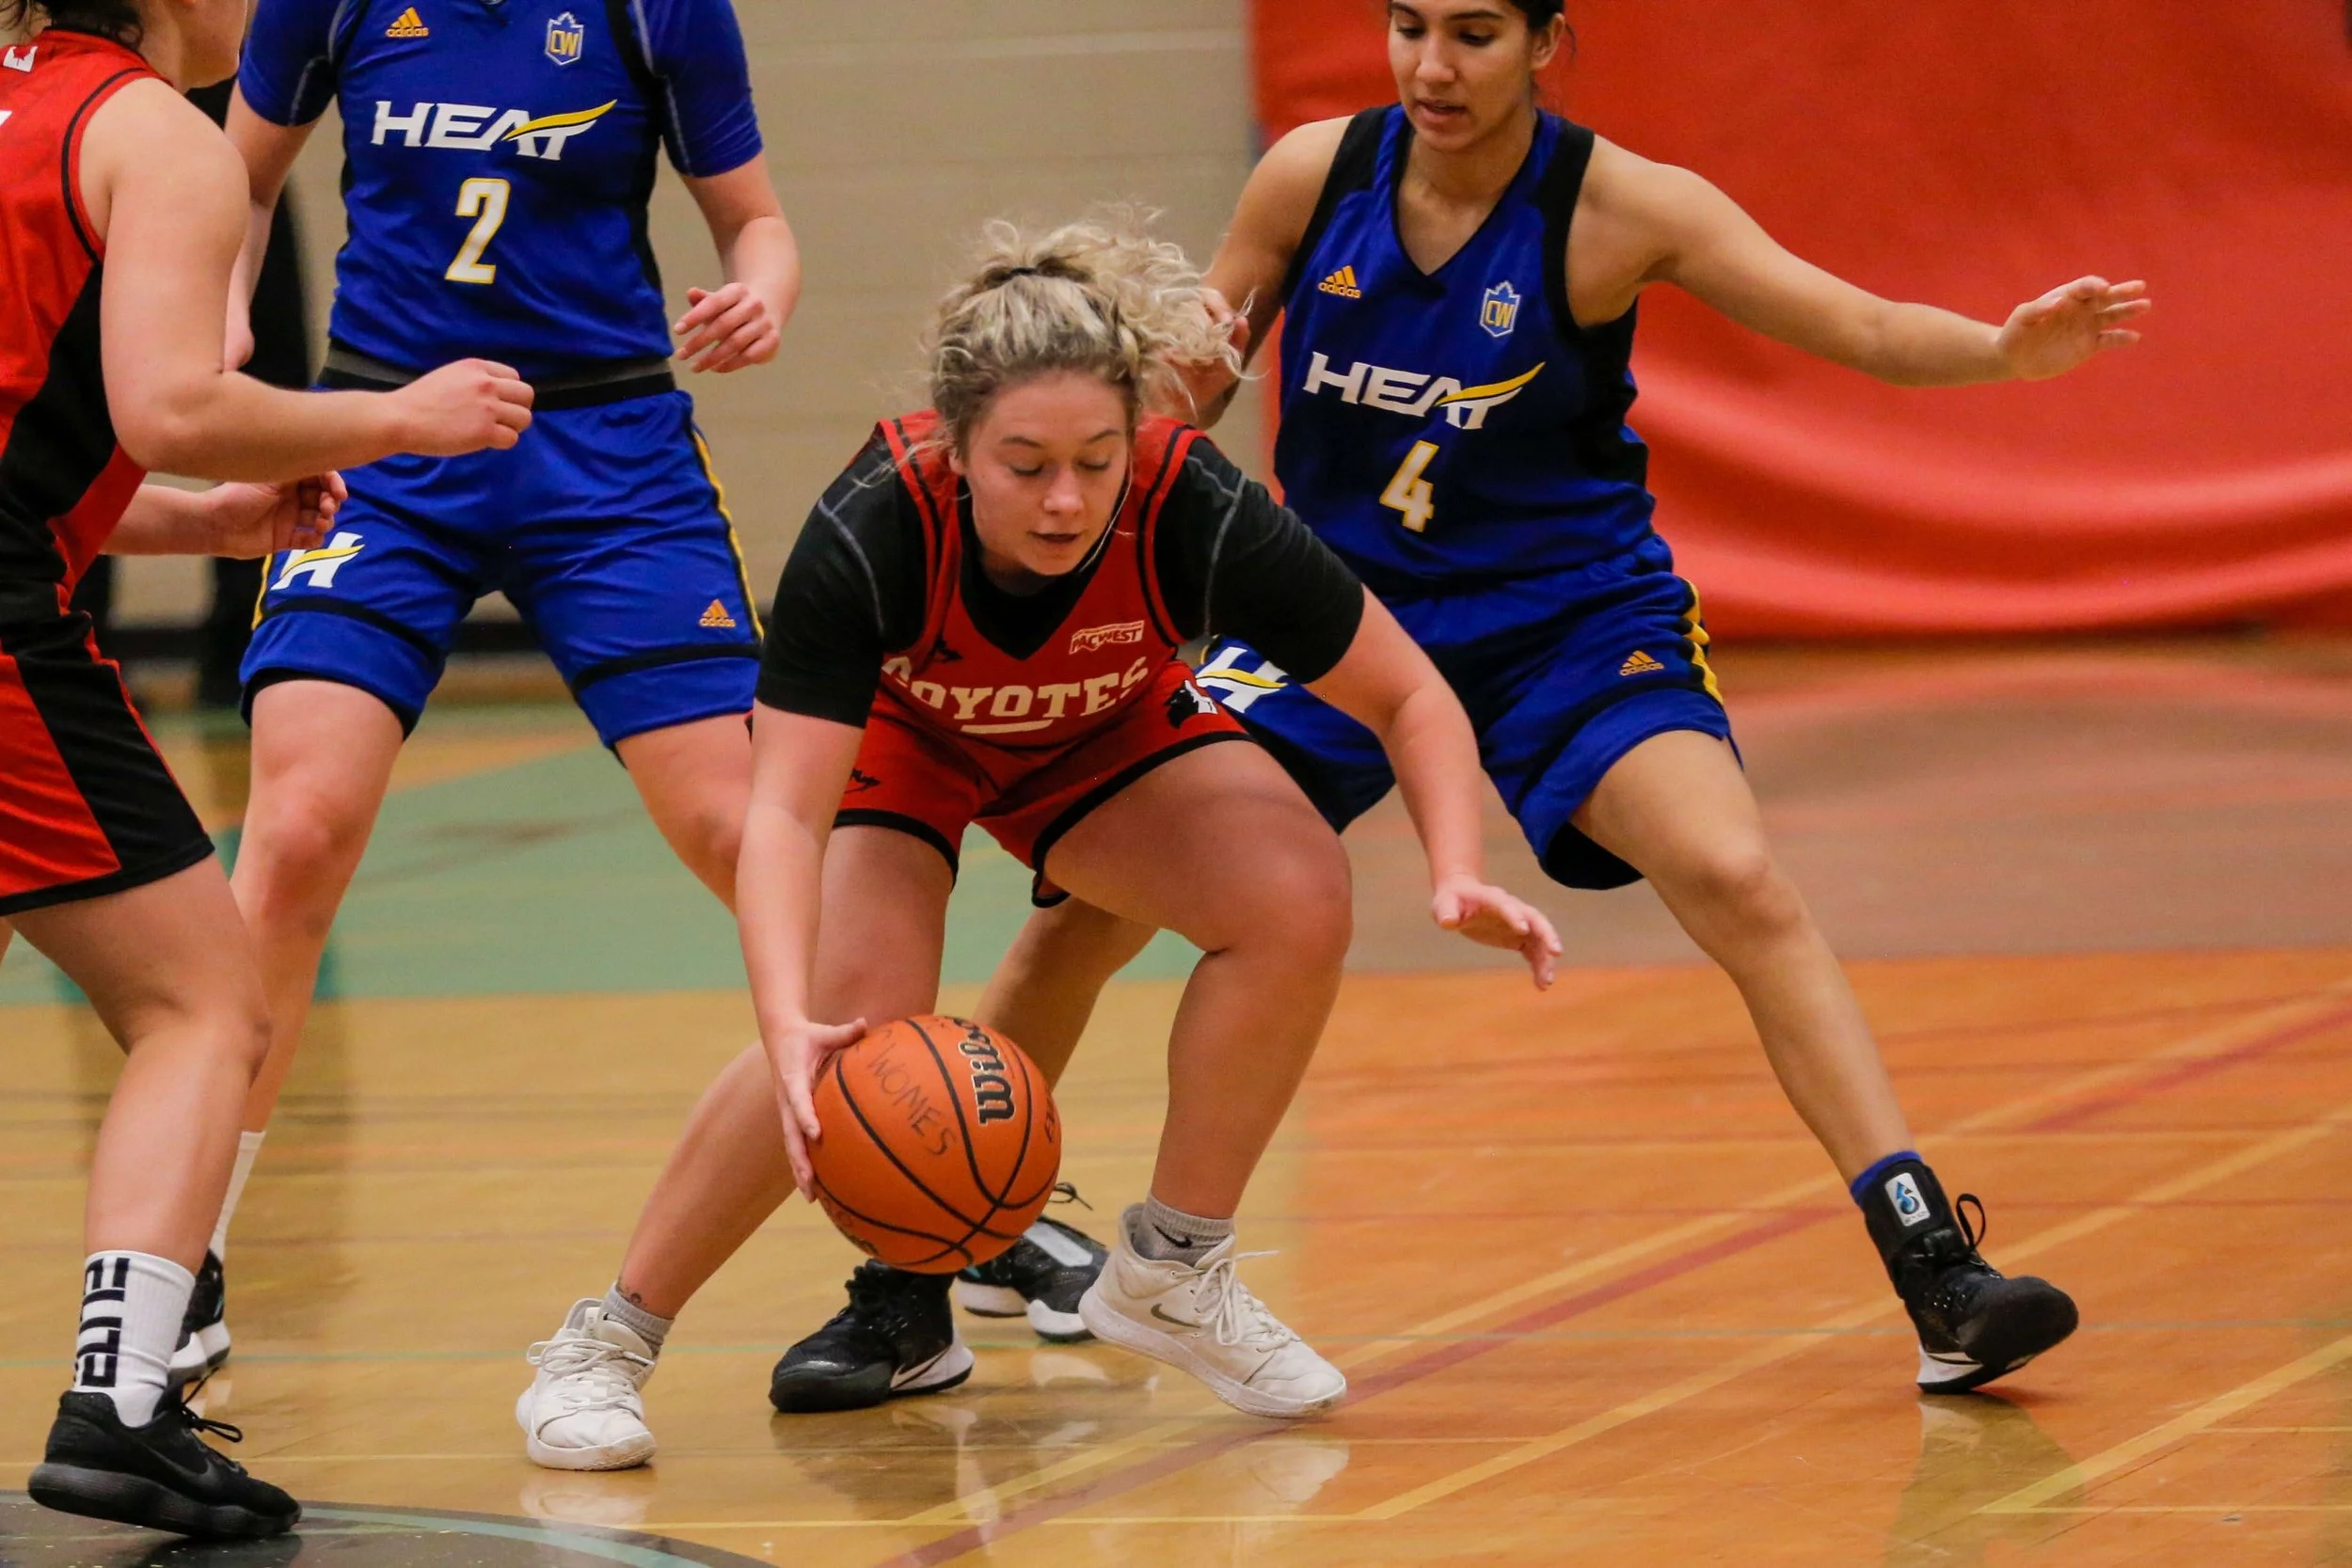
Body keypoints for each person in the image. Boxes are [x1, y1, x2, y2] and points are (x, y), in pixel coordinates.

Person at [989, 0, 2153, 1396]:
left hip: (1569, 619)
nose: (1433, 66)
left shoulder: (1626, 208)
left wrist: (2003, 351)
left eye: (1475, 32)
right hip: (1332, 615)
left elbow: (1860, 324)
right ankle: (934, 1247)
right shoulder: (1313, 174)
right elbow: (1180, 406)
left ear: (1550, 43)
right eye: (1409, 25)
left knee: (1737, 874)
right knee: (1089, 906)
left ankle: (1937, 1272)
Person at [511, 215, 1561, 1469]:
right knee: (849, 1017)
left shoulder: (1190, 504)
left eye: (1094, 459)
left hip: (1100, 734)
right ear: (957, 448)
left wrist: (1455, 866)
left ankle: (1174, 1266)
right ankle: (607, 1340)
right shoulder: (874, 526)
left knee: (1294, 889)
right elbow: (784, 811)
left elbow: (1409, 694)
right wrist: (786, 1016)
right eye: (1024, 464)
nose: (1065, 498)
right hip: (913, 740)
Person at [171, 0, 803, 1384]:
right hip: (382, 438)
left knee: (750, 838)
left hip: (608, 446)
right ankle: (181, 1259)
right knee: (294, 830)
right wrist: (216, 347)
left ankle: (919, 1224)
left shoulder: (658, 10)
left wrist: (764, 288)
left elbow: (755, 220)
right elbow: (241, 180)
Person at [0, 0, 531, 1537]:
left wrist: (202, 521)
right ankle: (121, 1401)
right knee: (202, 1003)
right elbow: (172, 398)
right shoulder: (148, 131)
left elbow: (51, 450)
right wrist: (400, 415)